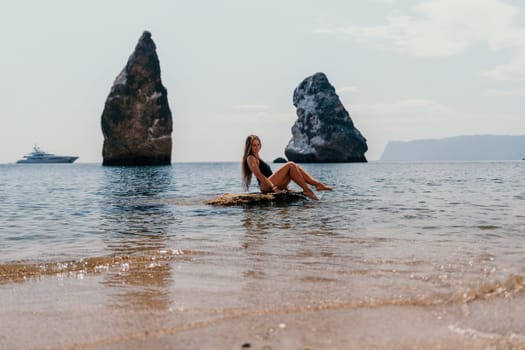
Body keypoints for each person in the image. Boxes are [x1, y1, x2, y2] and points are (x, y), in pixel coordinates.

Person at [241, 134, 332, 200]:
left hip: (270, 184)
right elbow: (259, 175)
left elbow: (269, 174)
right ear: (249, 146)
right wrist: (273, 187)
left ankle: (318, 185)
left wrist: (285, 188)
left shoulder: (257, 157)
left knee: (295, 167)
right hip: (265, 186)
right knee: (290, 164)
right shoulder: (250, 158)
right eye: (254, 145)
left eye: (258, 144)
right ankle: (308, 190)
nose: (256, 147)